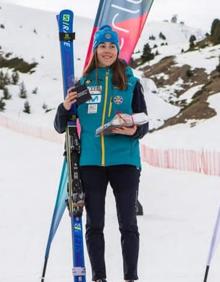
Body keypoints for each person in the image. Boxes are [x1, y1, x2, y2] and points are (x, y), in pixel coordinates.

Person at [54, 25, 148, 282]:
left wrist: (133, 131)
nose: (107, 51)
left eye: (111, 46)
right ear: (95, 50)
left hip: (125, 161)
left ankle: (131, 277)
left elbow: (144, 124)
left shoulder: (130, 82)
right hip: (91, 163)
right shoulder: (83, 84)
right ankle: (99, 277)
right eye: (102, 46)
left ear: (118, 50)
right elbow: (61, 126)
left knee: (128, 223)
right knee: (94, 224)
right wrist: (65, 106)